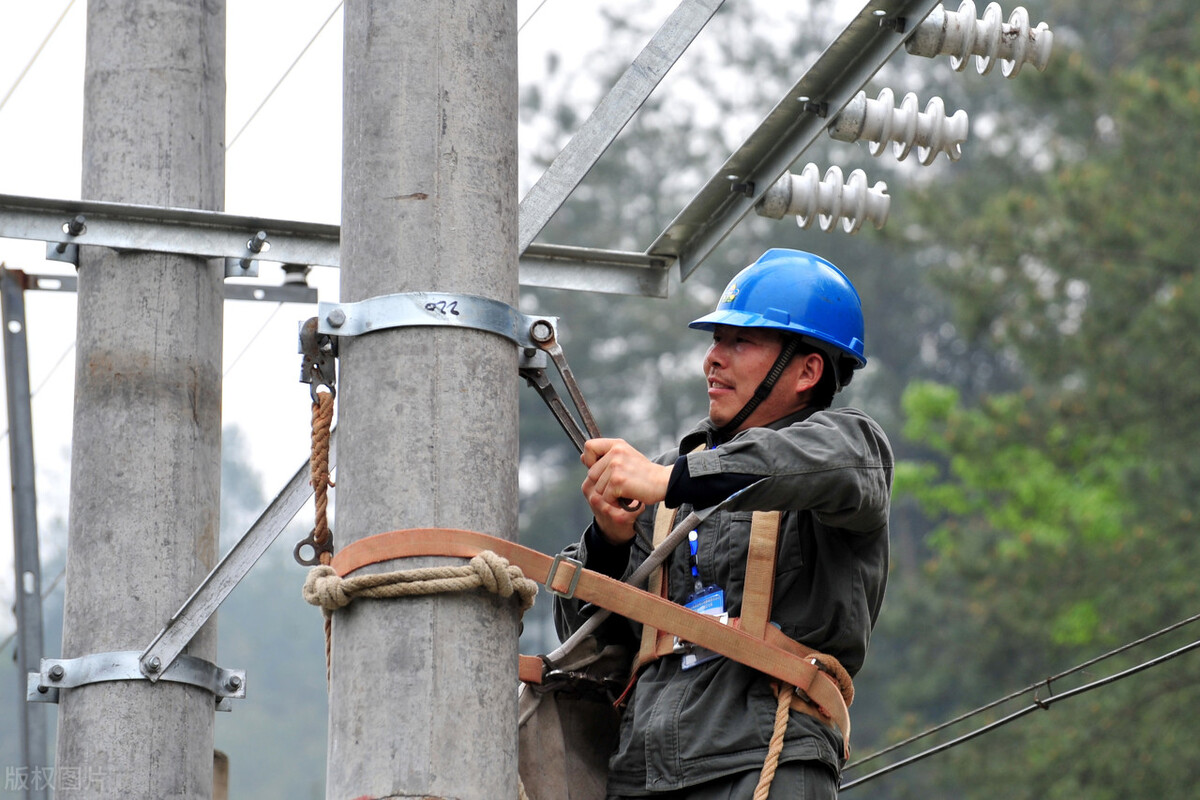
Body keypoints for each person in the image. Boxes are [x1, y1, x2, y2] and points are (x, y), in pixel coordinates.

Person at [554, 248, 894, 799]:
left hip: (766, 760)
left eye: (741, 342)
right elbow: (590, 645)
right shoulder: (667, 485)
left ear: (808, 370)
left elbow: (798, 464)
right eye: (715, 340)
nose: (713, 358)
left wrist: (673, 480)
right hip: (641, 773)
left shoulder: (849, 448)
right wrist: (609, 543)